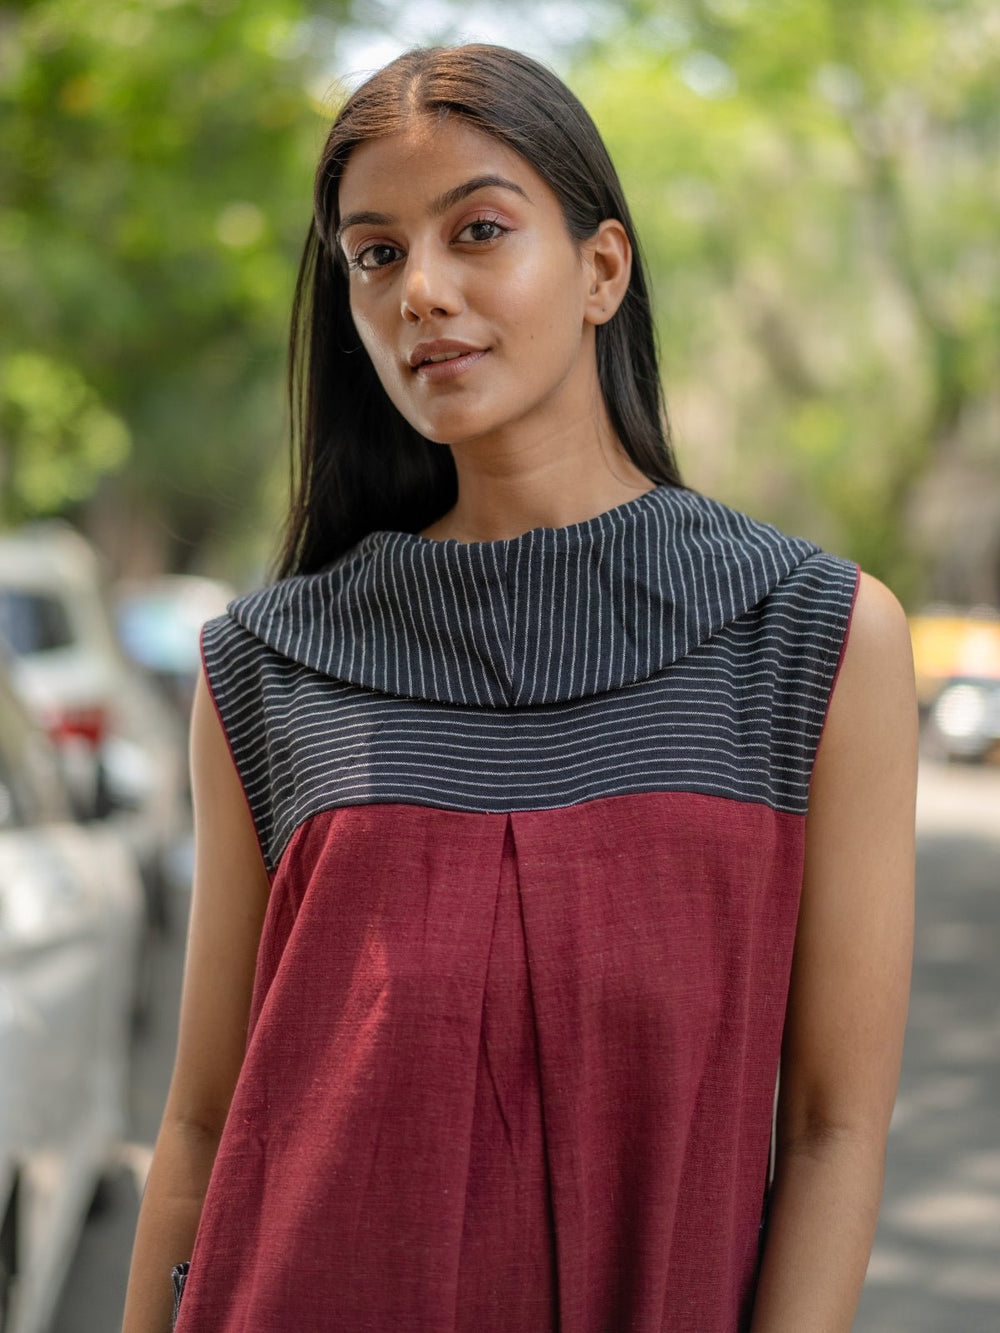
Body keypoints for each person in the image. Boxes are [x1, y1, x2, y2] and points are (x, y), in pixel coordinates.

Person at [121, 42, 917, 1333]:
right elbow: (207, 1116)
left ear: (604, 267)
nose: (422, 290)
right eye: (375, 254)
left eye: (477, 230)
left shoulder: (817, 642)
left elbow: (833, 1125)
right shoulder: (268, 664)